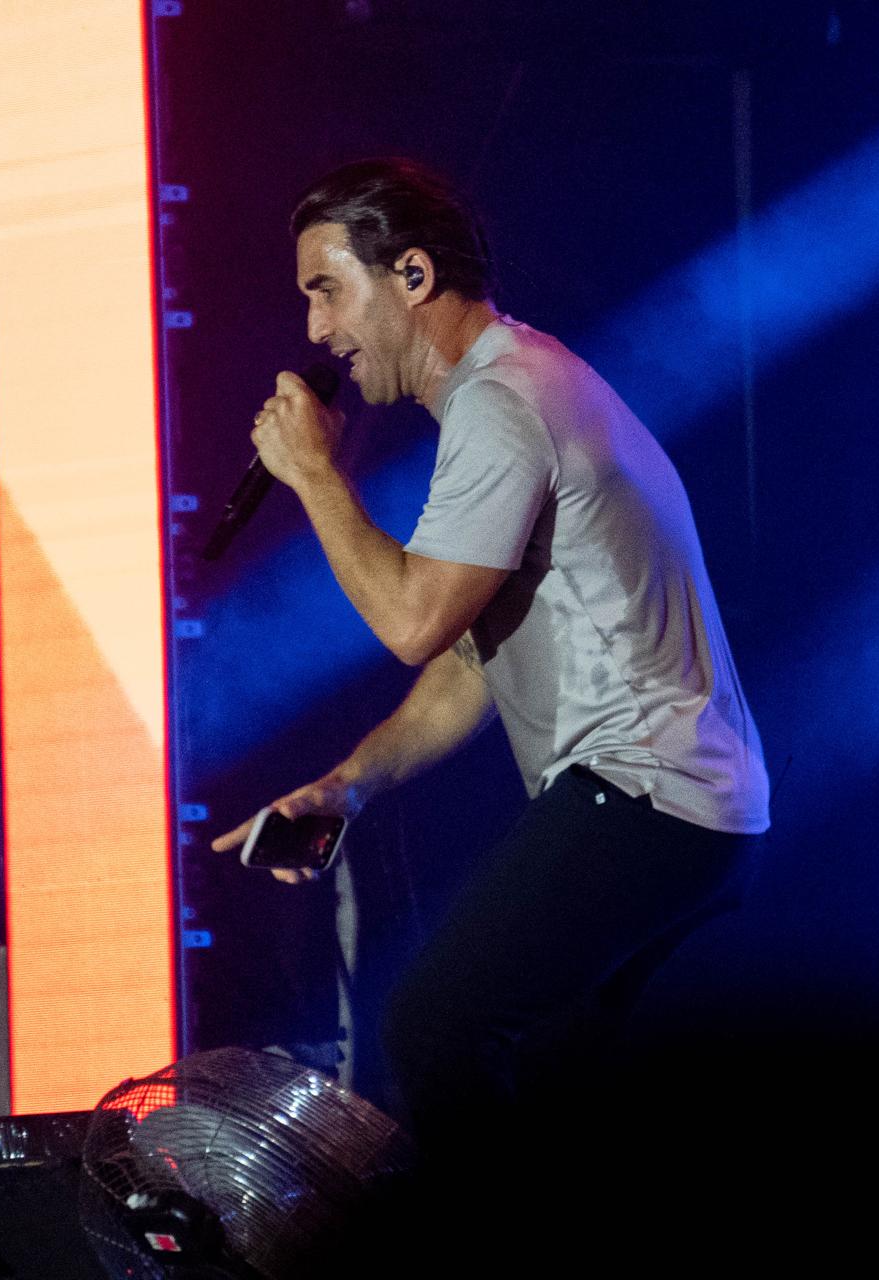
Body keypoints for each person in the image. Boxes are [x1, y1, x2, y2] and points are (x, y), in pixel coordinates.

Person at [209, 158, 770, 1146]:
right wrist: (350, 785)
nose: (316, 329)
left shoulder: (500, 402)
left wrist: (314, 477)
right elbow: (467, 660)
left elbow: (413, 621)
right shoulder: (518, 379)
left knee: (435, 1026)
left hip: (646, 794)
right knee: (543, 1081)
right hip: (690, 809)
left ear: (413, 275)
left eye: (327, 289)